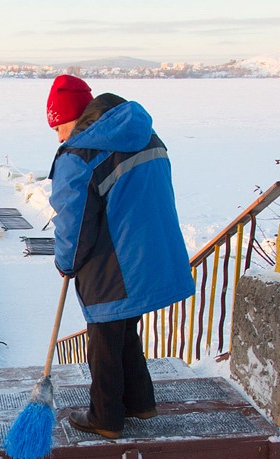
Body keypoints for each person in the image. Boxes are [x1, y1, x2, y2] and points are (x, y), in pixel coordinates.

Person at [46, 74, 195, 439]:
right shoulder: (143, 132)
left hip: (114, 258)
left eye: (59, 127)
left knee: (104, 335)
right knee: (126, 328)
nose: (60, 137)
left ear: (77, 119)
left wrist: (66, 262)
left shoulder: (79, 154)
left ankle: (106, 416)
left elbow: (74, 220)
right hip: (152, 250)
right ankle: (140, 401)